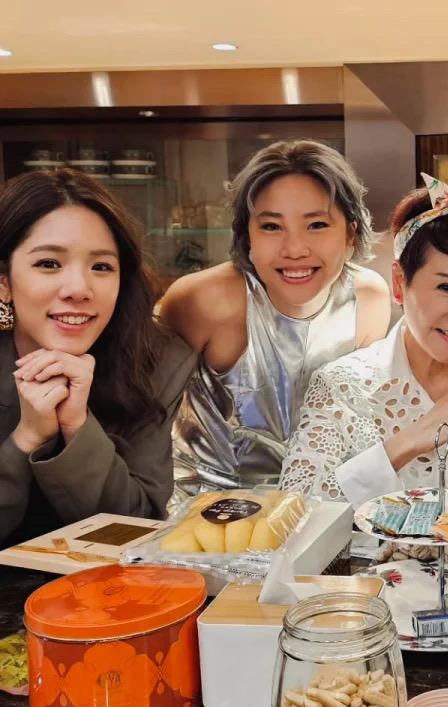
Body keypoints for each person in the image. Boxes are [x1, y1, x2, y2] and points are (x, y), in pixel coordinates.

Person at [280, 174, 448, 525]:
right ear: (399, 282)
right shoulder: (341, 388)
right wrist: (408, 442)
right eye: (447, 288)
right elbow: (292, 519)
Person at [162, 140, 389, 495]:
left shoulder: (368, 298)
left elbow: (358, 424)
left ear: (351, 232)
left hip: (322, 507)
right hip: (206, 511)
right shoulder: (204, 299)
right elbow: (140, 419)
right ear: (246, 234)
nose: (294, 249)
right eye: (271, 226)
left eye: (316, 225)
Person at [0, 170, 195, 544]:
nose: (79, 289)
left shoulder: (159, 362)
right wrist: (28, 437)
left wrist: (76, 426)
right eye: (49, 264)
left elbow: (138, 526)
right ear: (4, 282)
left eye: (101, 267)